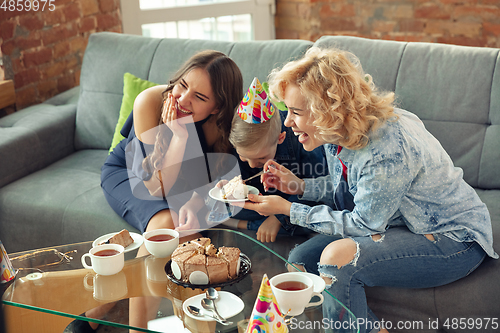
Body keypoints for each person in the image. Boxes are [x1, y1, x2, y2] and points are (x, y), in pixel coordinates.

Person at [240, 47, 497, 333]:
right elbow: (357, 189)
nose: (287, 121)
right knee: (299, 263)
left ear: (326, 110)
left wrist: (287, 208)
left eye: (296, 113)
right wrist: (298, 186)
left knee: (335, 259)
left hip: (453, 238)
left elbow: (365, 223)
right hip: (400, 223)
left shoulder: (386, 150)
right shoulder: (338, 130)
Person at [101, 50, 243, 243]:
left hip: (181, 184)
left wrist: (195, 203)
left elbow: (223, 179)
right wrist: (179, 136)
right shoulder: (149, 102)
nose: (183, 100)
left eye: (199, 97)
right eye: (182, 85)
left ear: (217, 108)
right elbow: (156, 189)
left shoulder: (221, 125)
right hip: (132, 174)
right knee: (167, 227)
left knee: (191, 235)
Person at [219, 77, 329, 243]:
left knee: (315, 215)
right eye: (244, 157)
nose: (252, 164)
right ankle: (253, 220)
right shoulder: (242, 142)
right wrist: (231, 190)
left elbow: (314, 188)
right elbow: (246, 185)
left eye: (261, 158)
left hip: (297, 198)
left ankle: (246, 225)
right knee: (226, 205)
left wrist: (278, 217)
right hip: (264, 199)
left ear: (281, 138)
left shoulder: (301, 136)